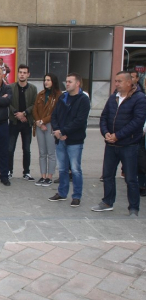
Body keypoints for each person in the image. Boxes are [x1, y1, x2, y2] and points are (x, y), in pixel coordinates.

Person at [92, 71, 146, 216]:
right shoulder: (113, 97)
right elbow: (104, 117)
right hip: (111, 144)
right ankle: (107, 202)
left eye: (119, 81)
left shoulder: (139, 98)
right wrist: (106, 133)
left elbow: (137, 122)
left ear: (129, 82)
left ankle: (134, 208)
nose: (116, 84)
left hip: (129, 145)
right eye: (115, 81)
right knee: (108, 175)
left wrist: (118, 136)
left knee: (130, 178)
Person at [49, 73, 91, 207]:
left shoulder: (83, 99)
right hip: (60, 138)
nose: (67, 84)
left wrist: (63, 131)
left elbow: (80, 120)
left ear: (78, 83)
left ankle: (76, 196)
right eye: (66, 81)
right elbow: (54, 115)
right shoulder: (63, 97)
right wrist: (57, 131)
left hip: (74, 140)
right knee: (62, 169)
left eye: (70, 82)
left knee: (75, 169)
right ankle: (62, 193)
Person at [8, 65, 37, 181]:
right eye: (20, 72)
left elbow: (35, 104)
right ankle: (9, 171)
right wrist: (17, 113)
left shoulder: (33, 89)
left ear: (28, 74)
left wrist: (24, 113)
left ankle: (27, 172)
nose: (22, 74)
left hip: (27, 122)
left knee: (26, 149)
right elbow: (8, 102)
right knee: (10, 148)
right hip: (14, 122)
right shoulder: (10, 87)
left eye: (24, 72)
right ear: (17, 73)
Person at [32, 73, 62, 186]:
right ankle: (42, 175)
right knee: (42, 152)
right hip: (39, 125)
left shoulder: (59, 95)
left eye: (48, 80)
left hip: (50, 125)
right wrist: (39, 122)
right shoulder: (40, 94)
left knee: (51, 152)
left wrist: (43, 121)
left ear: (53, 81)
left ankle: (50, 176)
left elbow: (56, 112)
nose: (46, 82)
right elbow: (34, 109)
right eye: (45, 80)